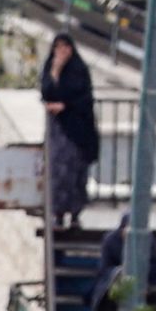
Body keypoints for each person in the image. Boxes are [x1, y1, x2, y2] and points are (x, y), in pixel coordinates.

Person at [41, 31, 102, 248]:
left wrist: (65, 106)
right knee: (58, 172)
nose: (62, 52)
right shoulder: (51, 68)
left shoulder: (79, 70)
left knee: (75, 173)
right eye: (57, 47)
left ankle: (75, 215)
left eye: (65, 47)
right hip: (59, 131)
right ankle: (58, 214)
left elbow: (84, 99)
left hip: (77, 130)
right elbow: (47, 92)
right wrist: (55, 70)